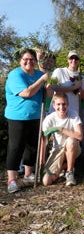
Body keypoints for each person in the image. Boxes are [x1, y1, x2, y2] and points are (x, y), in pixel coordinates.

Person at [4, 48, 51, 193]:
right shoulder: (15, 75)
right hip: (17, 116)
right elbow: (26, 93)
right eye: (25, 59)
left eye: (31, 59)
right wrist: (42, 80)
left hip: (36, 115)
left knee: (32, 146)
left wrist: (48, 85)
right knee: (16, 146)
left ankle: (28, 173)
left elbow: (48, 94)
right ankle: (11, 179)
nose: (28, 62)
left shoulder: (39, 74)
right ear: (20, 61)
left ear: (35, 62)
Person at [42, 92, 83, 186]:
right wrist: (42, 162)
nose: (62, 107)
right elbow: (43, 139)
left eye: (64, 104)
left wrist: (61, 129)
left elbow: (80, 136)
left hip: (73, 148)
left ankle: (69, 173)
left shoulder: (73, 114)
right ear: (53, 105)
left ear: (68, 104)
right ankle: (64, 166)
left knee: (71, 141)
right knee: (46, 181)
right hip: (58, 150)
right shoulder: (49, 118)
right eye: (58, 104)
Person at [50, 50, 84, 114]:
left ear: (79, 60)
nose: (74, 60)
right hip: (57, 111)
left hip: (73, 112)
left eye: (76, 58)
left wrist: (80, 88)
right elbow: (53, 87)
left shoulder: (82, 77)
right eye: (71, 58)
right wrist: (74, 87)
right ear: (67, 59)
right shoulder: (59, 71)